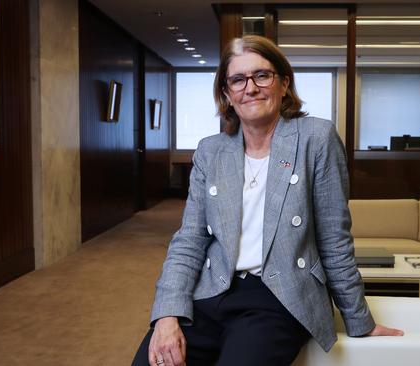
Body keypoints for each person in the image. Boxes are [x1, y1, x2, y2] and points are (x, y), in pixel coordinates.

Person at [132, 35, 402, 366]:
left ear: (284, 84)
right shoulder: (211, 150)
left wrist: (359, 321)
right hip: (211, 291)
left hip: (279, 296)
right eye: (238, 80)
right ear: (227, 94)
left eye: (262, 75)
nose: (251, 87)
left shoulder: (316, 138)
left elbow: (335, 238)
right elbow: (189, 240)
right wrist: (167, 316)